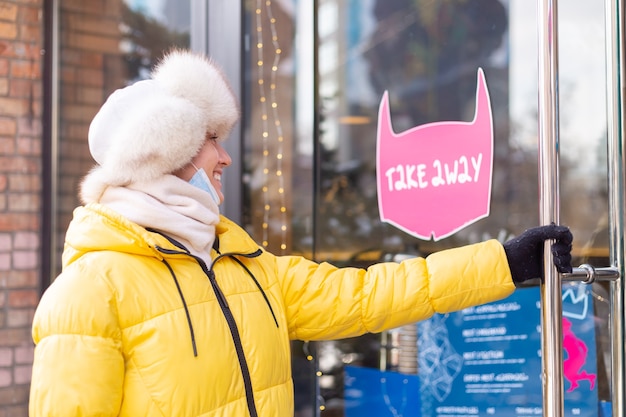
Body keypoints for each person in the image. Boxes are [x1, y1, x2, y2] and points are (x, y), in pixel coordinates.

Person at [29, 48, 573, 417]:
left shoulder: (247, 265)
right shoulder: (89, 292)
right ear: (162, 152)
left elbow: (366, 296)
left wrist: (504, 264)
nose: (223, 157)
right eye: (209, 140)